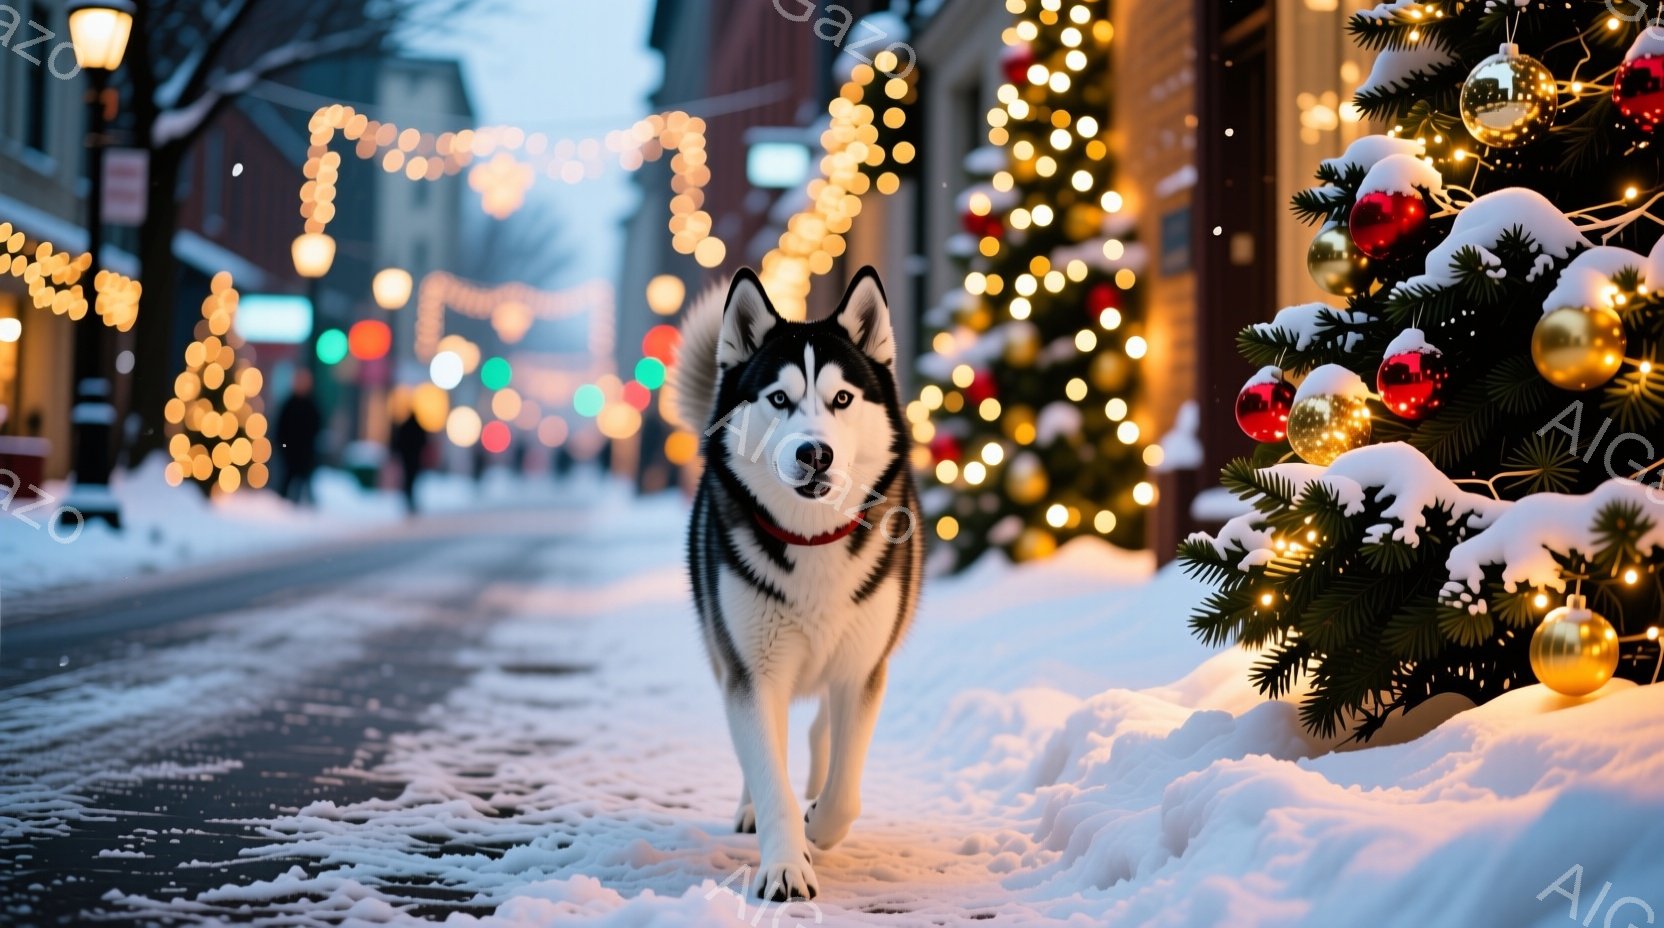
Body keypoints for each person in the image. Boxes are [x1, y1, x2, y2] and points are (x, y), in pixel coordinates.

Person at [275, 369, 322, 506]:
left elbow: (316, 427)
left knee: (306, 479)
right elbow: (281, 428)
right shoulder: (288, 404)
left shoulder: (312, 405)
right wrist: (283, 446)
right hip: (289, 451)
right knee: (287, 479)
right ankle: (283, 506)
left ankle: (306, 506)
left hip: (306, 451)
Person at [392, 409, 429, 514]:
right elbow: (424, 442)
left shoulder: (405, 426)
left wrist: (397, 453)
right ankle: (411, 500)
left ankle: (409, 500)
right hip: (415, 458)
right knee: (413, 479)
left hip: (407, 458)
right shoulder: (418, 427)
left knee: (408, 479)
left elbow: (398, 442)